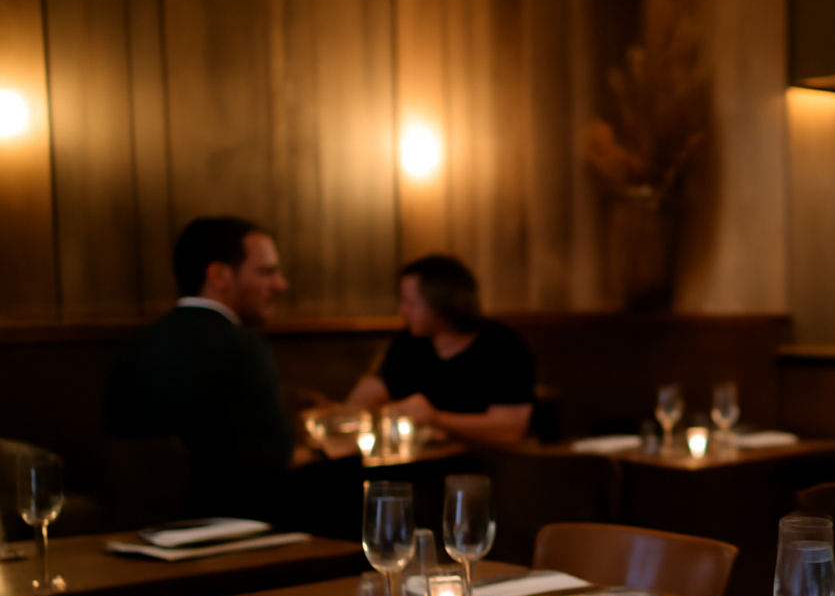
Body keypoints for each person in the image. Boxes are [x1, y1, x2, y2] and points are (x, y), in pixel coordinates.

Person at [105, 216, 303, 518]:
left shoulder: (136, 345)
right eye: (266, 272)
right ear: (219, 275)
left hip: (133, 525)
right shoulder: (243, 348)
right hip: (227, 528)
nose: (281, 284)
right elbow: (271, 463)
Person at [347, 255, 535, 451]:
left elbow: (511, 429)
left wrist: (435, 419)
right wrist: (352, 409)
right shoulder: (409, 342)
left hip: (487, 460)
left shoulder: (504, 347)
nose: (403, 310)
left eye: (410, 303)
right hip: (421, 459)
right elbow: (374, 391)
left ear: (440, 305)